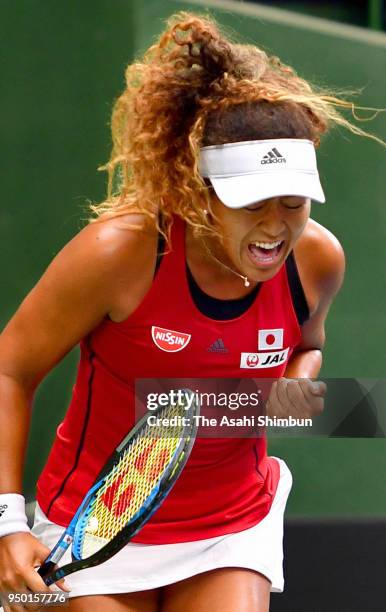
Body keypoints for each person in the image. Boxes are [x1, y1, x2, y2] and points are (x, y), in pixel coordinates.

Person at [4, 10, 379, 612]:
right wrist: (6, 523)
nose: (275, 226)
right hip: (93, 527)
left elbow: (306, 347)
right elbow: (10, 371)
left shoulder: (316, 260)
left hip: (231, 520)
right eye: (252, 203)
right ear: (197, 194)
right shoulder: (118, 254)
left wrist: (288, 395)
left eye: (293, 203)